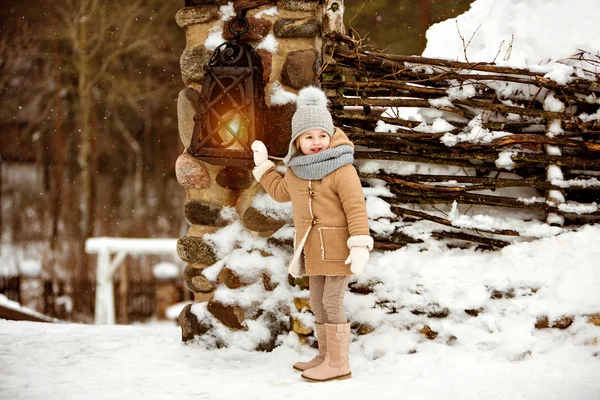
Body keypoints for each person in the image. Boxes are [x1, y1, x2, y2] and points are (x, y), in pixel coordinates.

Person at [250, 86, 373, 382]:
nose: (316, 142)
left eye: (322, 135)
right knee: (317, 302)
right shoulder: (295, 171)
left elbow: (355, 207)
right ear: (297, 141)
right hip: (312, 250)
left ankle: (339, 364)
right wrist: (264, 168)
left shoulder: (342, 169)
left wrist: (359, 244)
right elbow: (281, 193)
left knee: (332, 302)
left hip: (340, 247)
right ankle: (326, 356)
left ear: (330, 135)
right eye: (309, 137)